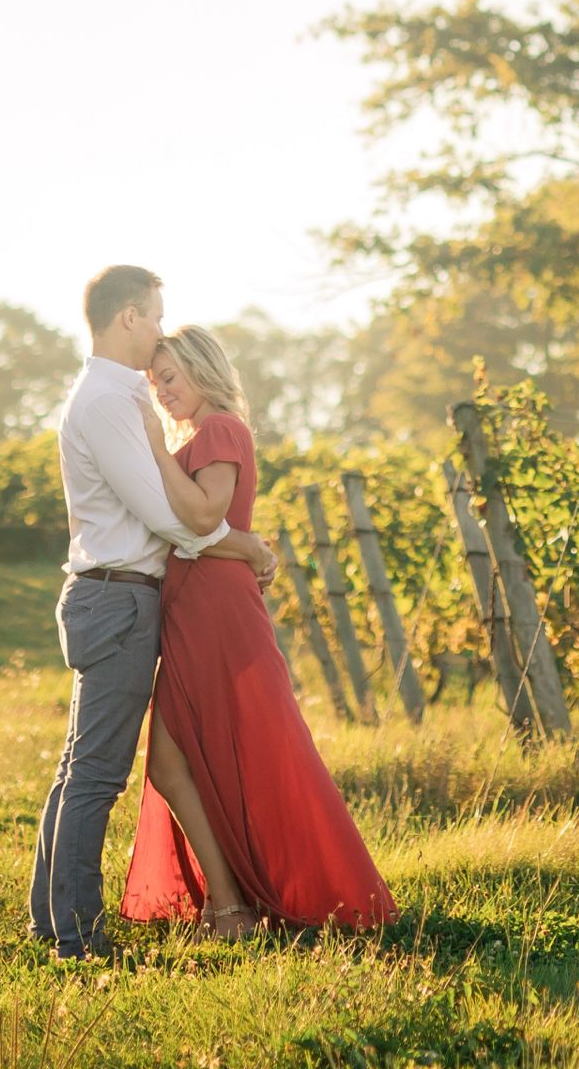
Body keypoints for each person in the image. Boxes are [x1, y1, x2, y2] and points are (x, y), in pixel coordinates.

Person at [28, 265, 277, 961]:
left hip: (115, 593)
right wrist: (244, 545)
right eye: (157, 315)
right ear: (130, 316)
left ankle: (51, 921)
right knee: (97, 774)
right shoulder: (106, 401)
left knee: (81, 766)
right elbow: (168, 515)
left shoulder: (112, 394)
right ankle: (74, 935)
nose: (163, 330)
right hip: (117, 597)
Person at [119, 324, 395, 934]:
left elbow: (204, 515)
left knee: (246, 753)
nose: (161, 392)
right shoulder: (195, 433)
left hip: (218, 614)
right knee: (174, 762)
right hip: (193, 610)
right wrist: (248, 547)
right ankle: (231, 903)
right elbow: (194, 530)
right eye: (153, 383)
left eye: (169, 377)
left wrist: (156, 451)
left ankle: (241, 904)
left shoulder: (219, 428)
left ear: (201, 367)